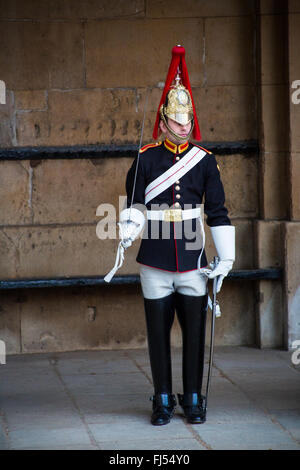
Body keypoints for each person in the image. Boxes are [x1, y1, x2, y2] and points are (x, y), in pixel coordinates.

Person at [106, 46, 235, 425]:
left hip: (193, 257)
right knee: (158, 335)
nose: (184, 127)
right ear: (163, 121)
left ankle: (192, 397)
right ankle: (162, 397)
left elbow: (217, 211)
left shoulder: (205, 160)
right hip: (155, 259)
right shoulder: (146, 158)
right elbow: (133, 202)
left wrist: (225, 256)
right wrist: (128, 226)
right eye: (177, 121)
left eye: (187, 121)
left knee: (195, 334)